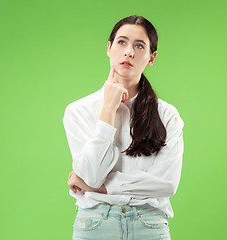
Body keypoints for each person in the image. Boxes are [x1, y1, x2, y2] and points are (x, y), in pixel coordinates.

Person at [63, 15, 184, 240]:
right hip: (95, 224)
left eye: (139, 46)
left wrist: (99, 189)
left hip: (149, 224)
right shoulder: (78, 111)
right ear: (109, 48)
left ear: (151, 57)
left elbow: (167, 184)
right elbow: (92, 174)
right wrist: (108, 110)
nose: (129, 51)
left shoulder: (167, 115)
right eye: (122, 42)